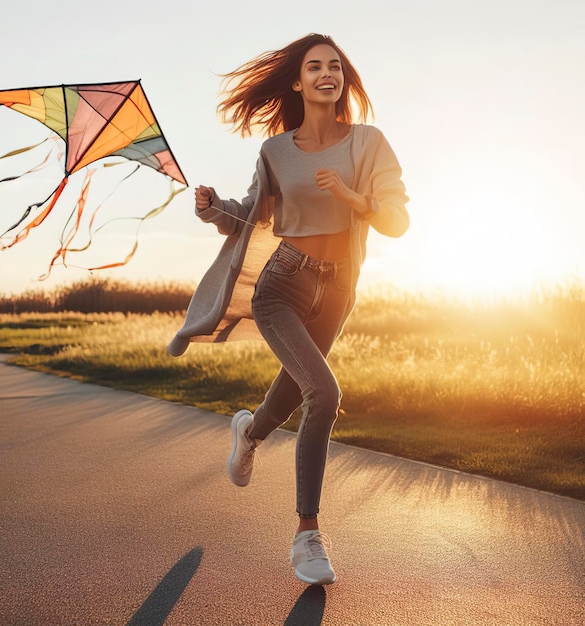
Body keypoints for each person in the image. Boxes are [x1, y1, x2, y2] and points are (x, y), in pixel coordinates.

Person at [168, 33, 409, 585]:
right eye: (314, 67)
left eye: (335, 67)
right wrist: (211, 209)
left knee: (298, 386)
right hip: (283, 284)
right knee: (323, 392)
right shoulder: (275, 151)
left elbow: (398, 221)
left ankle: (250, 432)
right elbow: (251, 216)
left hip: (339, 290)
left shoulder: (369, 143)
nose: (327, 74)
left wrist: (357, 201)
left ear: (343, 80)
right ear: (298, 82)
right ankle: (307, 536)